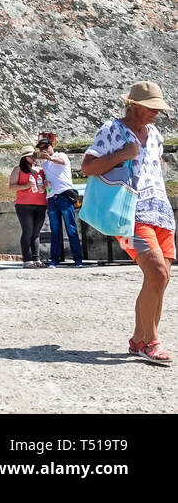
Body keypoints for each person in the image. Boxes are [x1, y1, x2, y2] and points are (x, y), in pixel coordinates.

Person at [81, 81, 174, 365]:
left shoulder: (155, 133)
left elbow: (154, 171)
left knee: (160, 279)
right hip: (128, 218)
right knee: (157, 273)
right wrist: (123, 154)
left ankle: (138, 339)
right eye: (152, 108)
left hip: (160, 213)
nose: (157, 113)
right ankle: (151, 343)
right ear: (134, 105)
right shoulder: (111, 130)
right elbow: (87, 167)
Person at [39, 134, 84, 267]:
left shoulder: (61, 155)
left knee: (71, 228)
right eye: (41, 148)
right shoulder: (45, 165)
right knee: (55, 231)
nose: (44, 150)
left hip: (64, 195)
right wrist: (46, 185)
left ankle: (78, 260)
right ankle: (55, 260)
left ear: (52, 146)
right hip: (52, 196)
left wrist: (50, 157)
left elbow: (61, 162)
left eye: (46, 147)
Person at [9, 146, 48, 268]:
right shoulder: (18, 170)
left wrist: (46, 186)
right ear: (25, 158)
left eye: (34, 156)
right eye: (31, 156)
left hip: (41, 204)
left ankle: (36, 259)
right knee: (28, 232)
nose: (34, 158)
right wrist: (26, 185)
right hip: (24, 205)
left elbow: (46, 185)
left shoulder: (41, 170)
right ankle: (27, 259)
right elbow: (11, 186)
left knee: (36, 233)